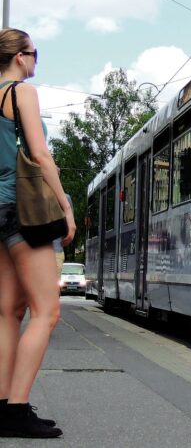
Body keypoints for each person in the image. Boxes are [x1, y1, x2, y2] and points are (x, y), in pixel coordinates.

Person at [0, 28, 76, 438]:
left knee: (8, 311)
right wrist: (65, 205)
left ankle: (2, 405)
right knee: (46, 312)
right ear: (19, 58)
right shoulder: (21, 94)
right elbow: (41, 154)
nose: (34, 62)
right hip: (23, 210)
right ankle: (15, 410)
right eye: (34, 55)